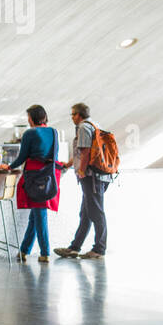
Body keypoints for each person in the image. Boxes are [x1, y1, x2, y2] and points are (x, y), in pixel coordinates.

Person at [55, 103, 110, 259]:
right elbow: (82, 152)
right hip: (97, 176)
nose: (72, 117)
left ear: (79, 115)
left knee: (96, 213)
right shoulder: (94, 125)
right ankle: (74, 248)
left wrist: (81, 171)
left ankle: (99, 250)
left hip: (91, 177)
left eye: (73, 114)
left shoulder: (83, 127)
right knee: (86, 213)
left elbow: (85, 152)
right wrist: (69, 164)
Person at [7, 104, 60, 262]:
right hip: (49, 176)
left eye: (28, 117)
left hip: (34, 177)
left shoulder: (30, 133)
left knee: (40, 215)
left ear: (32, 118)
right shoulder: (53, 131)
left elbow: (22, 157)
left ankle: (45, 253)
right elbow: (54, 154)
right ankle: (24, 250)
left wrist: (9, 167)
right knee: (35, 216)